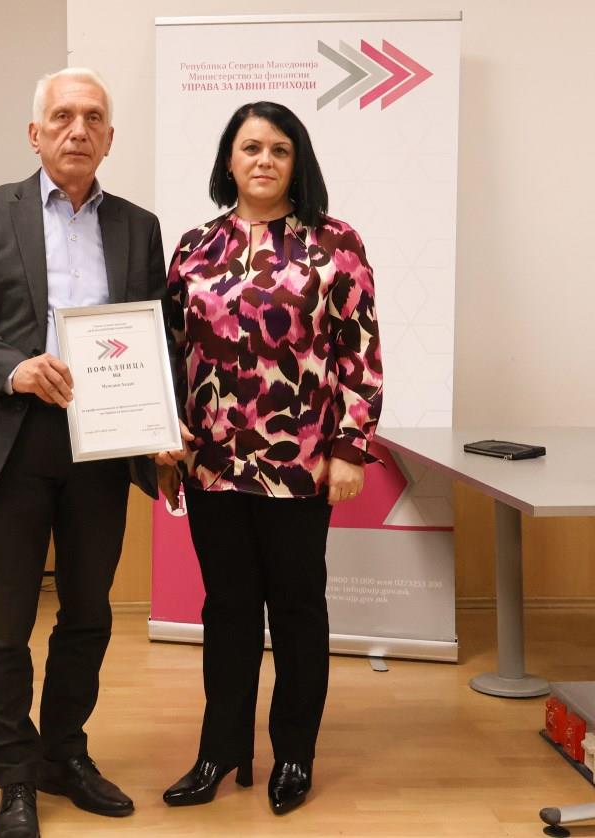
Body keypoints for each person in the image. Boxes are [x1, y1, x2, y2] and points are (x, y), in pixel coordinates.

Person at [0, 67, 165, 838]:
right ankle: (14, 776)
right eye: (62, 116)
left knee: (88, 614)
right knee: (3, 625)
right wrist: (13, 367)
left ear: (110, 138)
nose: (77, 129)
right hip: (13, 438)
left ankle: (64, 753)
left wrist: (162, 425)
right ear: (36, 134)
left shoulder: (138, 226)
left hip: (104, 442)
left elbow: (155, 334)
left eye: (92, 117)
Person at [158, 101, 383, 816]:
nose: (264, 160)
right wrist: (163, 431)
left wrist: (350, 448)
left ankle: (293, 753)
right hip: (212, 464)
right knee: (226, 610)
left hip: (301, 465)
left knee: (295, 610)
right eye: (250, 147)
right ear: (229, 160)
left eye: (279, 149)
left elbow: (360, 353)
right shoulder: (194, 247)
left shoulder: (335, 243)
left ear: (297, 162)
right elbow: (166, 352)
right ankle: (220, 751)